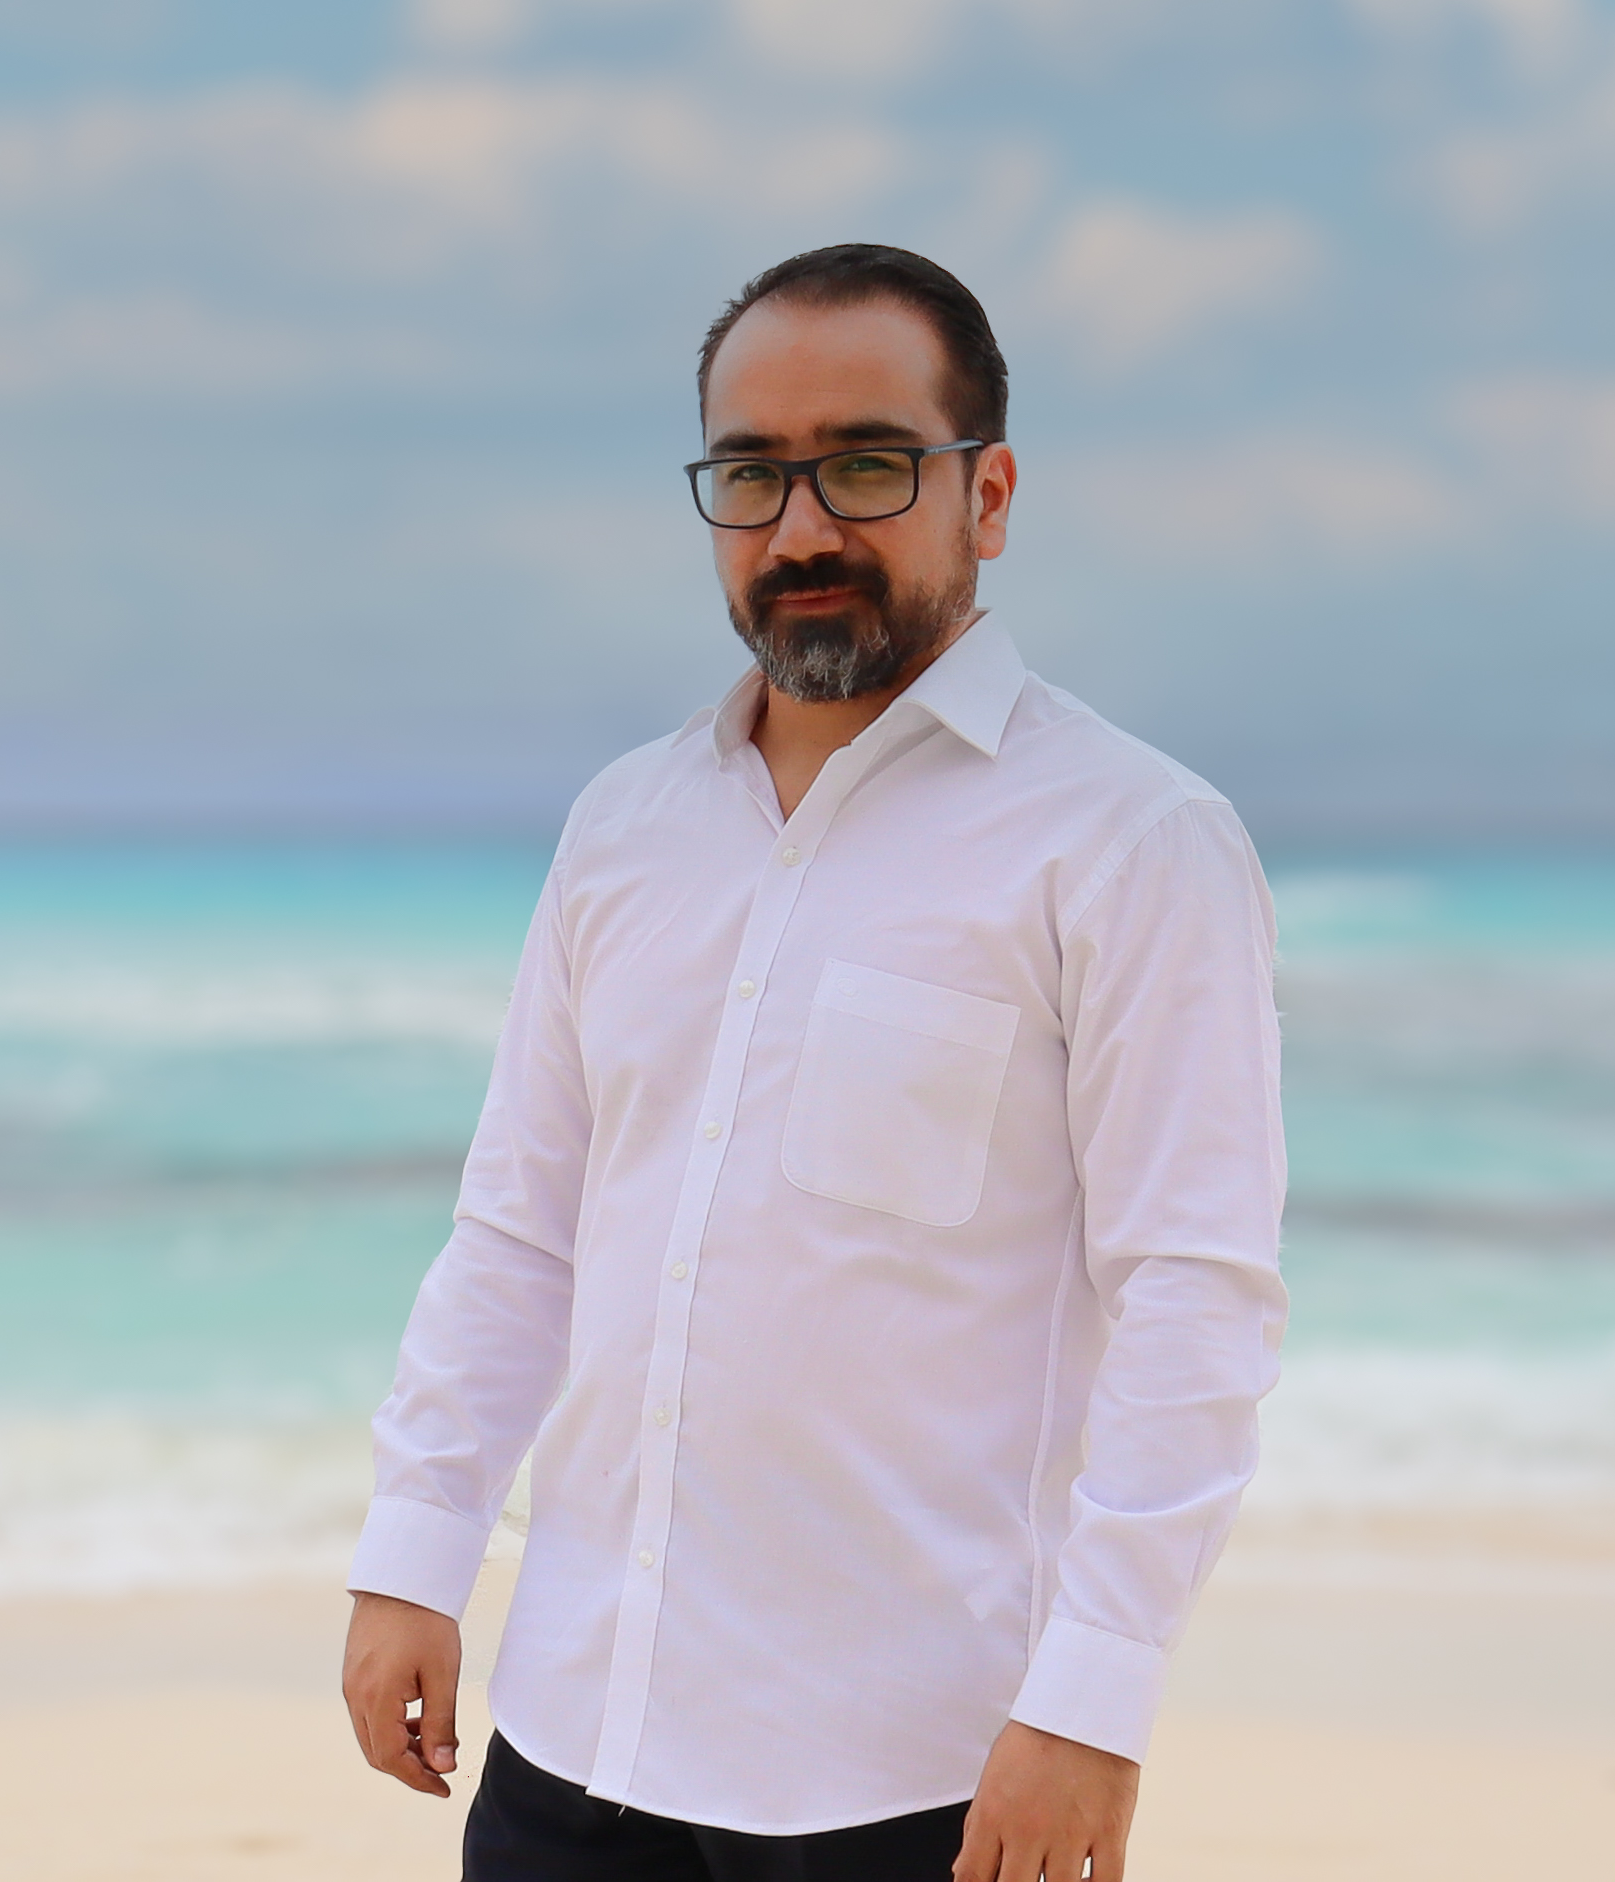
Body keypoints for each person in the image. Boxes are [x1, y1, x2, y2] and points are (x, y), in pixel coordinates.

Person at [341, 244, 1288, 1881]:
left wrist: (1092, 1703)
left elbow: (1193, 1298)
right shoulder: (625, 828)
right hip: (574, 1738)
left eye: (863, 465)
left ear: (985, 496)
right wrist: (413, 1548)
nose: (800, 530)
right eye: (751, 476)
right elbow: (521, 1230)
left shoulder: (1133, 842)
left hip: (914, 1776)